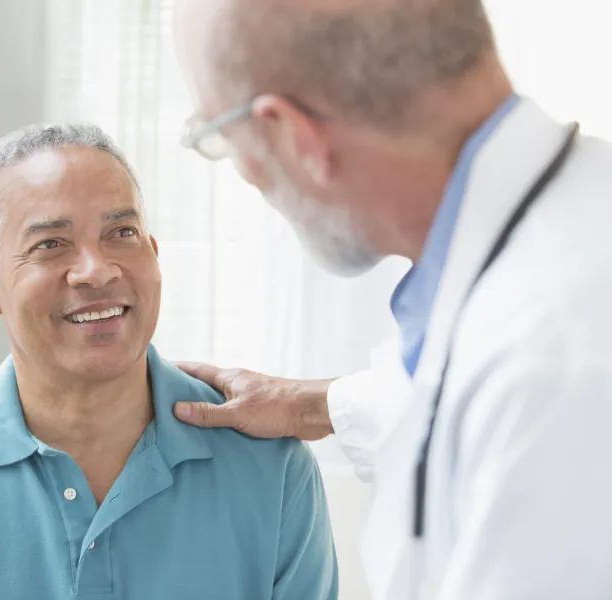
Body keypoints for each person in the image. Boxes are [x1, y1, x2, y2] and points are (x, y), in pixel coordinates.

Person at [172, 0, 612, 598]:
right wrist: (308, 405)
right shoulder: (565, 231)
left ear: (289, 133)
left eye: (217, 136)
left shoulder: (550, 364)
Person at [0, 124, 338, 600]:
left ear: (154, 253)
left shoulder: (273, 468)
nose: (96, 270)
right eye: (51, 244)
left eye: (122, 234)